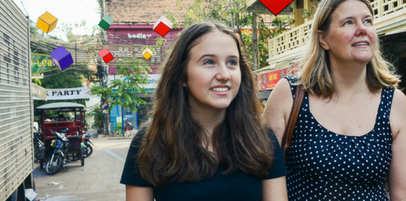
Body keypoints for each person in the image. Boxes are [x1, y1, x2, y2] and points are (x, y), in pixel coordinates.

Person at [263, 0, 406, 201]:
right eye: (348, 22)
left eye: (367, 21)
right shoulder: (290, 94)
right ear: (323, 39)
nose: (362, 29)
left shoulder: (394, 103)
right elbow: (265, 179)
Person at [120, 22, 287, 201]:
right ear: (182, 75)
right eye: (209, 62)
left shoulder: (261, 139)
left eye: (232, 62)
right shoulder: (150, 141)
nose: (224, 75)